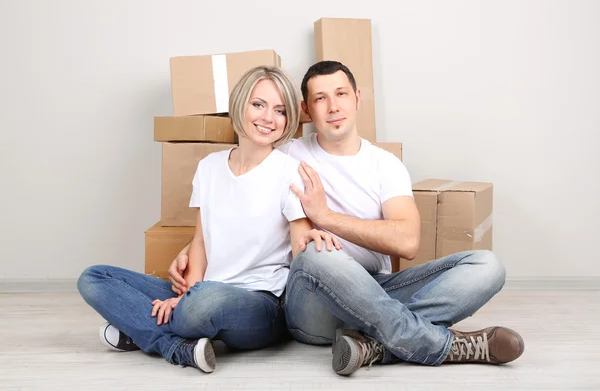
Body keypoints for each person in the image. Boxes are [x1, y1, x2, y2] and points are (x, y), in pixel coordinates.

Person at [168, 60, 525, 376]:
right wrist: (191, 247)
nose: (333, 106)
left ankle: (375, 345)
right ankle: (433, 344)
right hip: (312, 302)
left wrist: (326, 216)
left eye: (340, 93)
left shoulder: (385, 165)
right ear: (306, 110)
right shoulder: (287, 154)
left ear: (357, 97)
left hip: (375, 287)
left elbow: (408, 243)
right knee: (314, 253)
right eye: (321, 98)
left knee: (487, 266)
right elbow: (240, 203)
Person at [77, 65, 340, 374]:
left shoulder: (289, 172)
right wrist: (186, 295)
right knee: (94, 278)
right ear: (240, 103)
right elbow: (200, 241)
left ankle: (143, 329)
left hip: (260, 304)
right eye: (258, 104)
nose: (268, 118)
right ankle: (176, 346)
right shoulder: (209, 167)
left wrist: (315, 241)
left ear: (288, 120)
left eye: (280, 110)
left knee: (202, 304)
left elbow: (300, 244)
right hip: (203, 289)